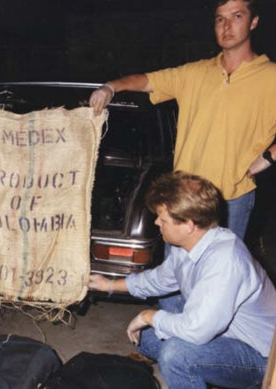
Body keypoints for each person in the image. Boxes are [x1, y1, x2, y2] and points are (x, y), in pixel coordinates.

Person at [89, 0, 276, 239]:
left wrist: (268, 157)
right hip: (183, 197)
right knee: (177, 273)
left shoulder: (271, 76)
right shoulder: (195, 72)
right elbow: (147, 81)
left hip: (231, 199)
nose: (226, 26)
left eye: (237, 16)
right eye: (220, 19)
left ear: (254, 22)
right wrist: (110, 87)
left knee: (221, 274)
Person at [89, 171, 276, 389]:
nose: (157, 222)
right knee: (147, 339)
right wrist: (108, 284)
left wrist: (148, 315)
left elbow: (196, 331)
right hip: (225, 333)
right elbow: (159, 279)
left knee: (176, 355)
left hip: (262, 358)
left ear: (188, 225)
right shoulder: (191, 243)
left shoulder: (225, 260)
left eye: (163, 218)